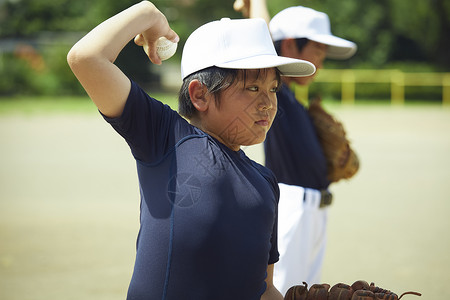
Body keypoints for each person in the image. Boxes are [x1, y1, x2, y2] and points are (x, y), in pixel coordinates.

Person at [67, 2, 316, 299]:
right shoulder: (165, 137)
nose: (268, 103)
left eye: (273, 88)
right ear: (200, 94)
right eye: (252, 88)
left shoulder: (265, 183)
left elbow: (263, 289)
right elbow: (86, 58)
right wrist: (148, 13)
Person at [234, 0, 358, 295]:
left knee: (304, 292)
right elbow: (264, 40)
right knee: (283, 290)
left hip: (314, 210)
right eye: (317, 50)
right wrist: (258, 2)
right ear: (289, 46)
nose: (322, 60)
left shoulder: (293, 100)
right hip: (292, 208)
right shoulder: (277, 91)